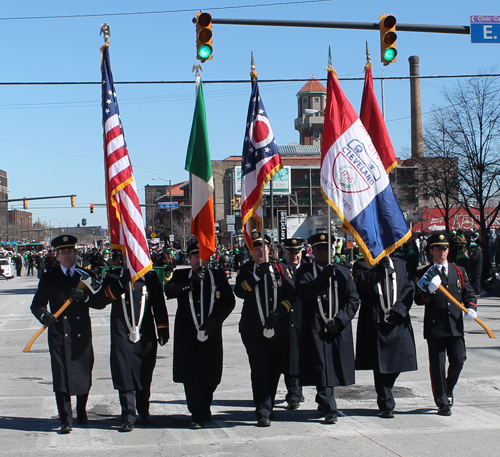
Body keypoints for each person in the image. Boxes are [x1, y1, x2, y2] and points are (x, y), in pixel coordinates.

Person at [30, 235, 106, 433]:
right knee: (61, 377)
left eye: (69, 251)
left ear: (75, 253)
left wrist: (86, 297)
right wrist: (44, 316)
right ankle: (65, 419)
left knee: (83, 373)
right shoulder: (49, 276)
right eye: (62, 252)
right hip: (58, 334)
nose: (66, 255)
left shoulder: (85, 275)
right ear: (56, 255)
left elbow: (101, 302)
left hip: (81, 333)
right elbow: (37, 304)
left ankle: (81, 410)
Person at [165, 241, 235, 429]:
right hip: (187, 336)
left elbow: (229, 302)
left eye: (202, 256)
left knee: (210, 375)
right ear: (190, 258)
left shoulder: (217, 276)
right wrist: (191, 282)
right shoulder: (181, 275)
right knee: (191, 376)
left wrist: (215, 321)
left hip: (210, 333)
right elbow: (169, 291)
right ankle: (196, 413)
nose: (198, 260)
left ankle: (205, 406)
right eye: (195, 256)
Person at [101, 255, 170, 432]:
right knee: (124, 373)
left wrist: (162, 329)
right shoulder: (112, 276)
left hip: (144, 333)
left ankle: (143, 409)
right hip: (121, 332)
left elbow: (159, 305)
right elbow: (102, 299)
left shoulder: (150, 277)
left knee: (144, 372)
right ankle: (128, 416)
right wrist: (121, 282)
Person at [295, 233, 359, 424]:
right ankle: (330, 407)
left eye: (326, 248)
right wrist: (322, 279)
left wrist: (341, 320)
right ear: (312, 252)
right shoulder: (305, 272)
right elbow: (304, 295)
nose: (323, 252)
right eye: (319, 249)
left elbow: (353, 299)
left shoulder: (343, 272)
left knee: (333, 368)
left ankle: (324, 400)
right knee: (321, 367)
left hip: (337, 328)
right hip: (315, 328)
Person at [234, 232, 295, 427]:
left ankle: (268, 405)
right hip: (253, 330)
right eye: (256, 248)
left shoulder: (281, 269)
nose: (260, 251)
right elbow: (240, 292)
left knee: (275, 369)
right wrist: (255, 276)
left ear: (271, 250)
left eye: (264, 248)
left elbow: (292, 293)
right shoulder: (245, 269)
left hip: (278, 329)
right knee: (260, 369)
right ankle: (262, 410)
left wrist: (280, 314)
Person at [415, 232, 477, 416]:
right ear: (431, 251)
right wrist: (430, 291)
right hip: (436, 327)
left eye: (445, 248)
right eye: (439, 248)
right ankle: (442, 401)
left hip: (455, 325)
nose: (443, 251)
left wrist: (472, 307)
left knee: (459, 359)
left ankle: (448, 389)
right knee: (438, 366)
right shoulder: (424, 273)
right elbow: (418, 300)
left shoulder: (458, 271)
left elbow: (468, 293)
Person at [352, 254, 417, 418]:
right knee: (379, 364)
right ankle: (386, 401)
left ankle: (385, 389)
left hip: (397, 320)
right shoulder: (362, 265)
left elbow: (410, 287)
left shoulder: (402, 264)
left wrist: (400, 310)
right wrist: (379, 269)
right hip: (375, 321)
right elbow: (360, 286)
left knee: (399, 362)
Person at [281, 237, 309, 410]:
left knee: (305, 358)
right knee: (290, 358)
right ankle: (294, 394)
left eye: (297, 252)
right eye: (290, 252)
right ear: (284, 252)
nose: (294, 256)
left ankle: (299, 390)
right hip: (286, 319)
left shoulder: (309, 269)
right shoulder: (278, 269)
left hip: (306, 319)